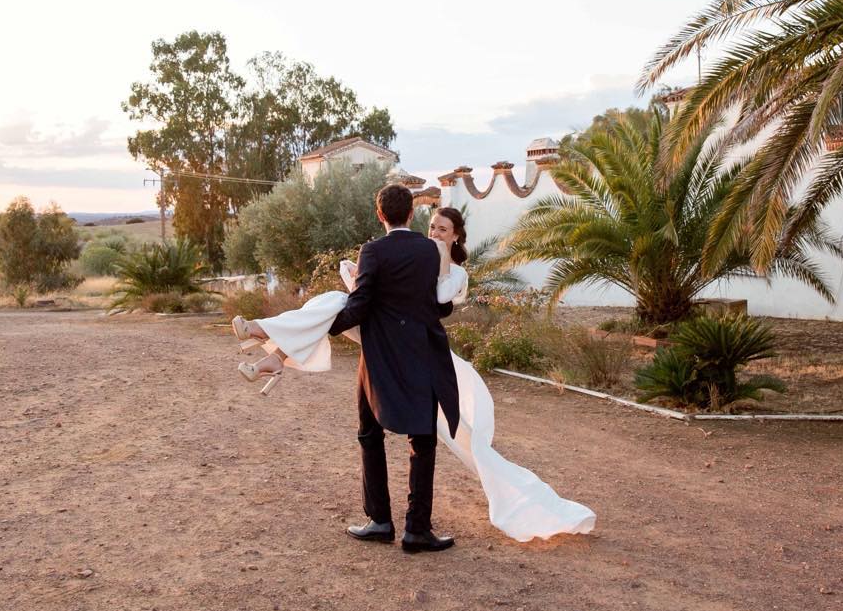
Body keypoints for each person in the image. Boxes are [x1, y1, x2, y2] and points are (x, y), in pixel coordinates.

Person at [232, 194, 596, 547]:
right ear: (412, 214)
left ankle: (380, 520)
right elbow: (433, 307)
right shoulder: (426, 251)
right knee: (421, 442)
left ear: (381, 215)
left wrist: (343, 309)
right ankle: (416, 529)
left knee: (369, 432)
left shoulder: (374, 251)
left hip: (379, 353)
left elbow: (367, 307)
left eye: (442, 228)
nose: (436, 232)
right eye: (433, 225)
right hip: (420, 354)